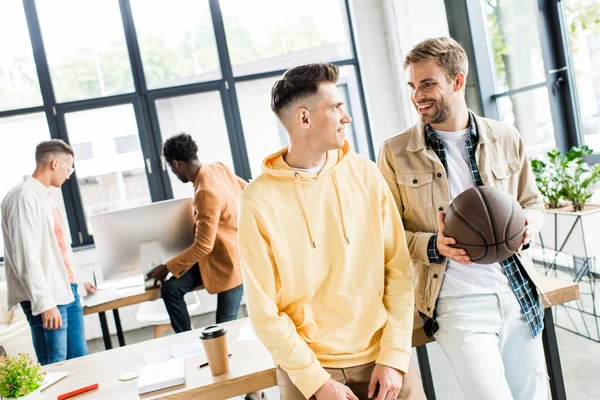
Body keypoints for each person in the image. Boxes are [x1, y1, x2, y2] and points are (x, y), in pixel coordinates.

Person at [239, 63, 425, 400]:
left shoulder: (366, 175)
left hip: (382, 356)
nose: (346, 117)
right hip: (308, 369)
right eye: (336, 107)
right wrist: (315, 381)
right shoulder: (256, 201)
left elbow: (397, 269)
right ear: (304, 119)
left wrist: (395, 356)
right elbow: (264, 311)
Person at [377, 37, 548, 400]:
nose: (417, 95)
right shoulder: (395, 153)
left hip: (517, 291)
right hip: (458, 302)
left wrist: (529, 224)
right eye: (412, 85)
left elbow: (533, 202)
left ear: (457, 81)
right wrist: (433, 246)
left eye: (427, 83)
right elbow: (386, 235)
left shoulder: (505, 137)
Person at [2, 139, 97, 365]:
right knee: (55, 366)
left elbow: (56, 251)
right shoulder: (23, 197)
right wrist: (45, 304)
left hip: (67, 292)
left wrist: (77, 283)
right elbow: (26, 256)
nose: (69, 175)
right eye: (69, 168)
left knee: (79, 364)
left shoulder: (44, 197)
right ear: (55, 164)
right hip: (49, 298)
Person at [146, 133, 245, 331]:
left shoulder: (205, 191)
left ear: (175, 164)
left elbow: (203, 245)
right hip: (216, 258)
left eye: (172, 169)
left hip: (230, 265)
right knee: (171, 289)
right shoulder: (218, 168)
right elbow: (247, 191)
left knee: (224, 330)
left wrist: (166, 268)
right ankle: (187, 340)